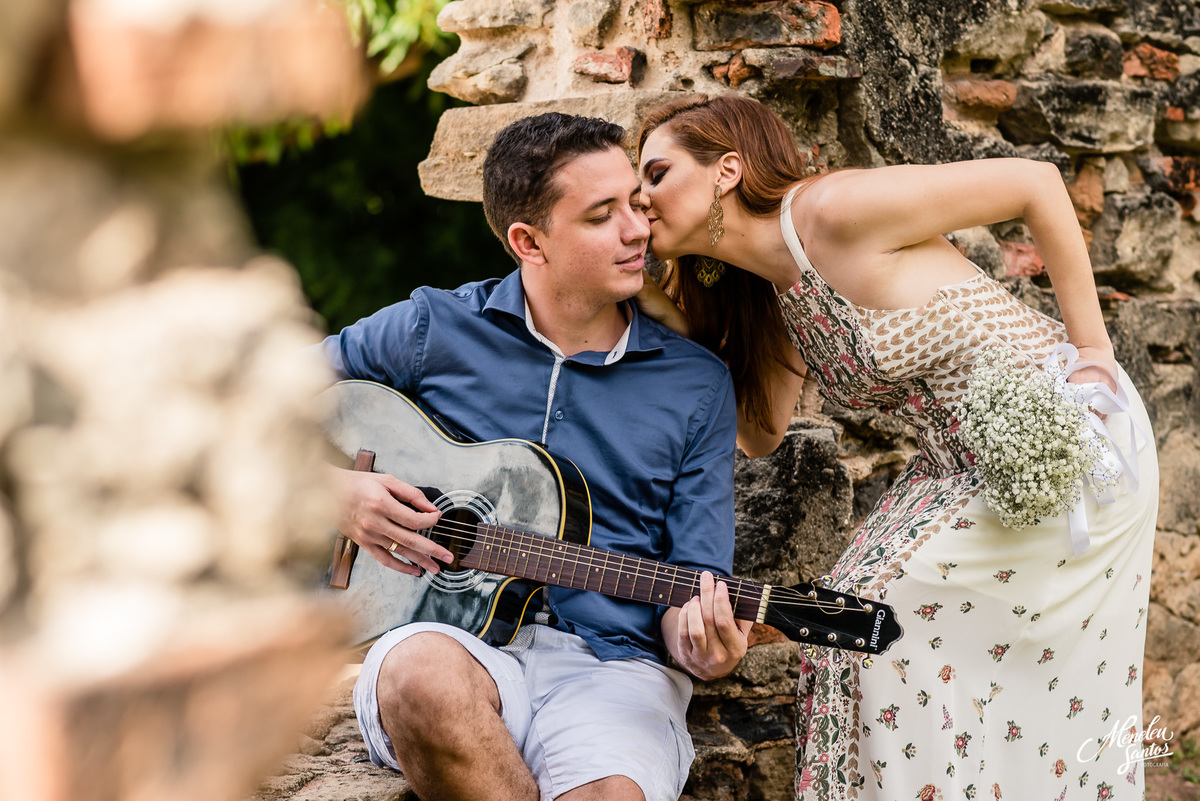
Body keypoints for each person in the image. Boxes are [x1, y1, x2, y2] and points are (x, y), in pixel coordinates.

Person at [634, 94, 1158, 801]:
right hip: (953, 469)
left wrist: (1093, 351)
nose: (640, 197)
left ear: (726, 170)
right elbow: (759, 431)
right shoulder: (776, 285)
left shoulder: (833, 211)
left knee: (864, 624)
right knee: (843, 629)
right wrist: (667, 313)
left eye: (655, 173)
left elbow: (1037, 183)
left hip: (1070, 442)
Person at [317, 112, 751, 801]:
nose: (638, 230)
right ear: (529, 240)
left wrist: (703, 642)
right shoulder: (433, 328)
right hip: (447, 636)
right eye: (602, 215)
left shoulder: (696, 383)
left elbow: (691, 579)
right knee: (419, 675)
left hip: (612, 665)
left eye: (636, 204)